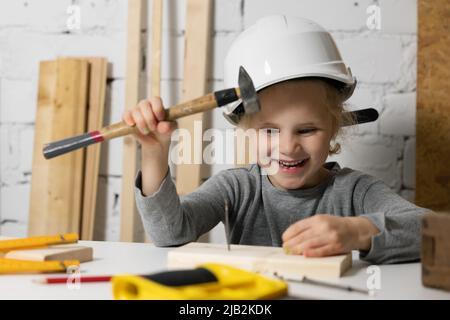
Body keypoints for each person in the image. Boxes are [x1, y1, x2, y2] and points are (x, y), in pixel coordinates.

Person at [123, 15, 429, 264]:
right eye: (269, 131)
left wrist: (358, 231)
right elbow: (170, 233)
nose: (287, 146)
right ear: (246, 131)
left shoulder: (355, 192)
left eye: (307, 130)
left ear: (334, 127)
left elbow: (436, 233)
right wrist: (155, 153)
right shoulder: (237, 188)